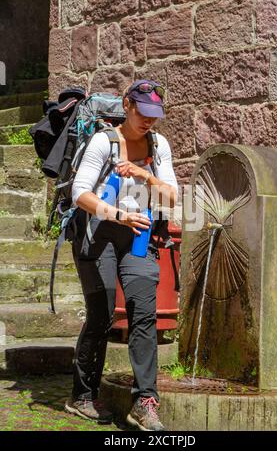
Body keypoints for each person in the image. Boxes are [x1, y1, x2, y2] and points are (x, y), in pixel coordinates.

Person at [64, 79, 178, 431]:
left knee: (143, 313)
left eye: (154, 115)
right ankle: (82, 395)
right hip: (99, 232)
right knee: (101, 315)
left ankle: (145, 401)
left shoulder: (159, 145)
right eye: (143, 113)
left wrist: (146, 175)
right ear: (127, 105)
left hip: (139, 233)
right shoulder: (103, 141)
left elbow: (173, 198)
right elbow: (79, 193)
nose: (149, 121)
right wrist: (117, 215)